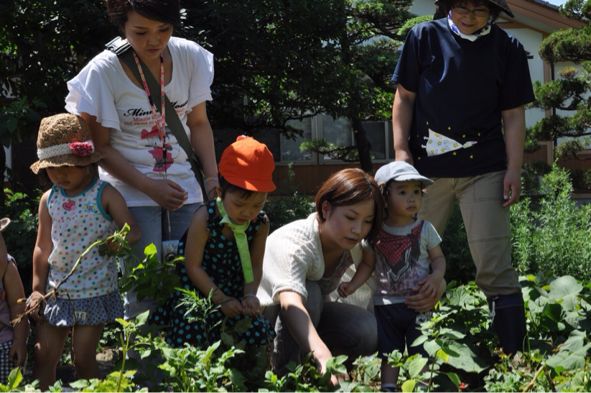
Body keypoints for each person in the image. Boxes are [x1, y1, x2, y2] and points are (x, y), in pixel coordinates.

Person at [391, 0, 534, 354]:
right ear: (447, 7)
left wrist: (514, 168)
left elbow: (513, 116)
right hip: (424, 174)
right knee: (411, 259)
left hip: (484, 168)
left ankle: (512, 354)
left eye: (480, 10)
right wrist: (400, 153)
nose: (470, 17)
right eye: (462, 8)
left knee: (494, 262)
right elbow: (404, 98)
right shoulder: (423, 37)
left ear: (493, 12)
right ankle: (408, 350)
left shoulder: (507, 48)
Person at [65, 0, 218, 318]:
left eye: (164, 29)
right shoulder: (102, 71)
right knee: (142, 289)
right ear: (121, 26)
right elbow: (101, 148)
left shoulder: (190, 56)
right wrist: (150, 187)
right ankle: (143, 366)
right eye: (141, 31)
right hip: (130, 192)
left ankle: (185, 364)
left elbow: (199, 123)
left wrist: (212, 178)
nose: (155, 40)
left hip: (185, 187)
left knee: (189, 285)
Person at [26, 113, 140, 389]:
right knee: (44, 355)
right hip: (58, 290)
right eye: (53, 168)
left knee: (83, 358)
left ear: (86, 162)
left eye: (68, 166)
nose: (60, 174)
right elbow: (42, 247)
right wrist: (37, 288)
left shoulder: (104, 194)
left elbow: (133, 232)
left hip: (94, 290)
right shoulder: (49, 199)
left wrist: (118, 241)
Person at [152, 136, 275, 357]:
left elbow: (255, 265)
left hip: (235, 293)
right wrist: (220, 299)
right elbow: (193, 267)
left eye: (257, 204)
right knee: (193, 335)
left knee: (257, 335)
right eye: (239, 204)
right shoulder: (205, 218)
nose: (248, 212)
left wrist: (249, 295)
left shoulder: (260, 223)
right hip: (199, 292)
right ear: (220, 192)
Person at [338, 161, 446, 391]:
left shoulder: (425, 228)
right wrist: (352, 285)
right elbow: (368, 264)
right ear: (384, 197)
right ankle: (388, 386)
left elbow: (438, 259)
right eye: (403, 192)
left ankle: (423, 386)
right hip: (385, 304)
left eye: (417, 192)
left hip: (420, 302)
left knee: (422, 349)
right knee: (389, 351)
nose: (412, 199)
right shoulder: (375, 233)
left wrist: (437, 277)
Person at [0, 218, 29, 384]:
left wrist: (20, 341)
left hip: (4, 345)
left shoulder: (7, 267)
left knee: (8, 386)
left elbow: (18, 305)